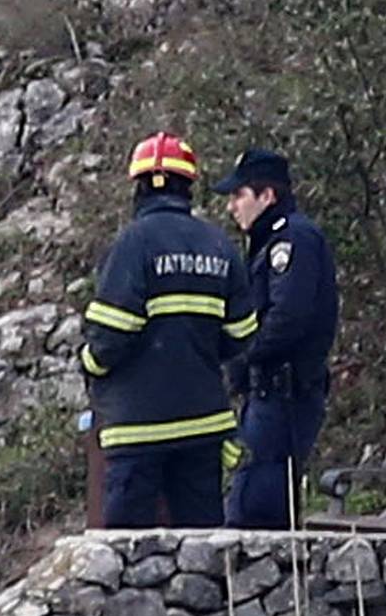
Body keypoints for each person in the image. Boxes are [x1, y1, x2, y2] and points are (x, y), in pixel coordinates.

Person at [80, 134, 257, 528]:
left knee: (127, 554)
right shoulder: (219, 245)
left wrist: (90, 364)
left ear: (139, 187)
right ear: (188, 187)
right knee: (201, 549)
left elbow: (109, 337)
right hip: (203, 425)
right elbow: (242, 333)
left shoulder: (132, 244)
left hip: (136, 427)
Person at [212, 145, 340, 528]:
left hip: (283, 392)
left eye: (239, 196)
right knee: (252, 497)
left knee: (256, 508)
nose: (232, 207)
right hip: (265, 391)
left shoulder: (292, 241)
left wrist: (243, 353)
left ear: (267, 196)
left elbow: (287, 318)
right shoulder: (266, 244)